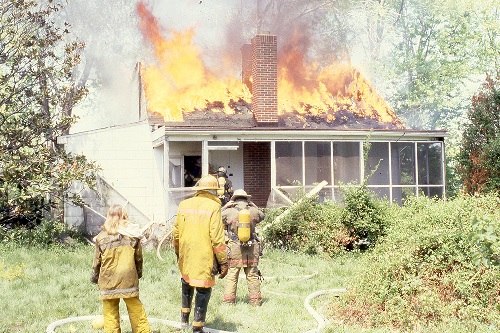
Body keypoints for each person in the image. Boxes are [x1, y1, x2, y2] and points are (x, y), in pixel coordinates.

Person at [173, 174, 229, 332]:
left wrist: (179, 252)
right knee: (203, 289)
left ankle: (184, 321)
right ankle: (197, 327)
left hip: (186, 253)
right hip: (204, 255)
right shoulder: (213, 207)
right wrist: (223, 261)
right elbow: (217, 238)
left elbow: (176, 233)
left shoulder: (184, 204)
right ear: (213, 191)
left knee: (186, 283)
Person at [91, 204, 151, 333]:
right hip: (128, 278)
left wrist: (95, 278)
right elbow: (138, 258)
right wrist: (137, 274)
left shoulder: (101, 238)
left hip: (108, 281)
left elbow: (97, 262)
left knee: (110, 313)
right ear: (124, 217)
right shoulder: (133, 236)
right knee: (136, 309)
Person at [221, 189, 265, 306]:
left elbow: (216, 218)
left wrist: (226, 206)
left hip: (235, 248)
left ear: (234, 199)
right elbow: (262, 216)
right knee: (252, 275)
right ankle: (256, 303)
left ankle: (228, 303)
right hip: (252, 249)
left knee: (232, 274)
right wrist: (253, 205)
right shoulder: (253, 211)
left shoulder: (229, 211)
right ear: (247, 199)